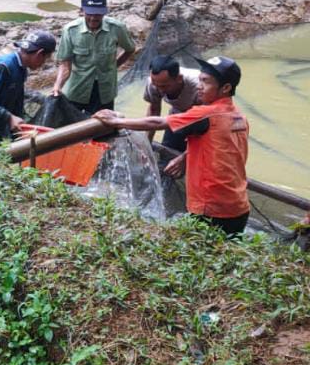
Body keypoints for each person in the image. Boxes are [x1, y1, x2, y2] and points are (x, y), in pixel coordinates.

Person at [95, 56, 250, 237]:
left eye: (205, 82)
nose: (199, 86)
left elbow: (157, 122)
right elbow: (216, 149)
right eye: (199, 80)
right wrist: (185, 156)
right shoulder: (240, 118)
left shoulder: (206, 114)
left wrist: (115, 121)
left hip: (211, 208)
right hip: (239, 206)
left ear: (225, 88)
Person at [51, 0, 136, 115]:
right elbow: (65, 65)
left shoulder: (117, 28)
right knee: (72, 128)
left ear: (104, 12)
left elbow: (130, 49)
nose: (93, 18)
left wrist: (114, 66)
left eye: (98, 14)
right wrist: (57, 86)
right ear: (81, 11)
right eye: (89, 13)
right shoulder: (70, 30)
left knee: (102, 128)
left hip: (105, 91)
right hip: (77, 89)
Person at [143, 55, 202, 151]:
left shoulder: (199, 86)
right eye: (156, 85)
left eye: (164, 86)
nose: (159, 90)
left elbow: (208, 119)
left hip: (201, 120)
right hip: (176, 115)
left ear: (179, 78)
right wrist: (146, 145)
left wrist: (184, 157)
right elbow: (154, 112)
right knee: (168, 149)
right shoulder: (153, 83)